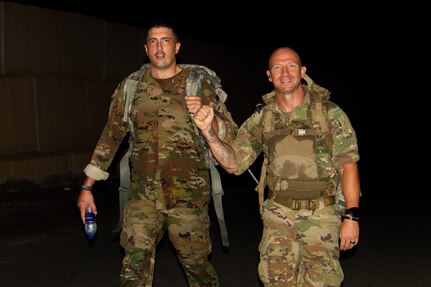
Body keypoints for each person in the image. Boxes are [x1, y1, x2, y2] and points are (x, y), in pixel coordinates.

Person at [77, 21, 238, 287]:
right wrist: (87, 186)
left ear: (177, 47)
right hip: (143, 197)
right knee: (134, 265)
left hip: (189, 198)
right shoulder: (132, 88)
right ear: (146, 49)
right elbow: (110, 137)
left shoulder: (198, 87)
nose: (159, 47)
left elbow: (231, 135)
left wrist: (210, 121)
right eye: (153, 41)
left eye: (165, 40)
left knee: (197, 268)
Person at [193, 47, 361, 286]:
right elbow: (234, 164)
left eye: (291, 66)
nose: (285, 72)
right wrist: (209, 133)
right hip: (278, 220)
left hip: (321, 218)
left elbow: (348, 166)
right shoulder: (263, 118)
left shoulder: (329, 113)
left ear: (302, 71)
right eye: (277, 67)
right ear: (269, 75)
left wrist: (351, 217)